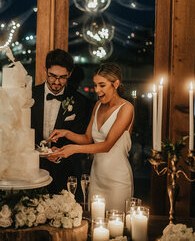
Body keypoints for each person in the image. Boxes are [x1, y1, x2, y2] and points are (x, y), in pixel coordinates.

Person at [47, 62, 134, 212]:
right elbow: (88, 138)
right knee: (96, 226)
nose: (97, 90)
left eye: (102, 85)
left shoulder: (126, 108)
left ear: (116, 84)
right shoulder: (98, 106)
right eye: (95, 85)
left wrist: (74, 149)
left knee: (117, 229)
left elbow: (107, 145)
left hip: (118, 180)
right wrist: (66, 133)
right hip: (97, 177)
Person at [31, 49, 92, 197]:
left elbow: (81, 137)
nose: (57, 82)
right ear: (45, 70)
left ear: (69, 74)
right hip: (30, 170)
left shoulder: (80, 102)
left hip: (64, 171)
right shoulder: (28, 96)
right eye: (52, 76)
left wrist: (60, 152)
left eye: (62, 77)